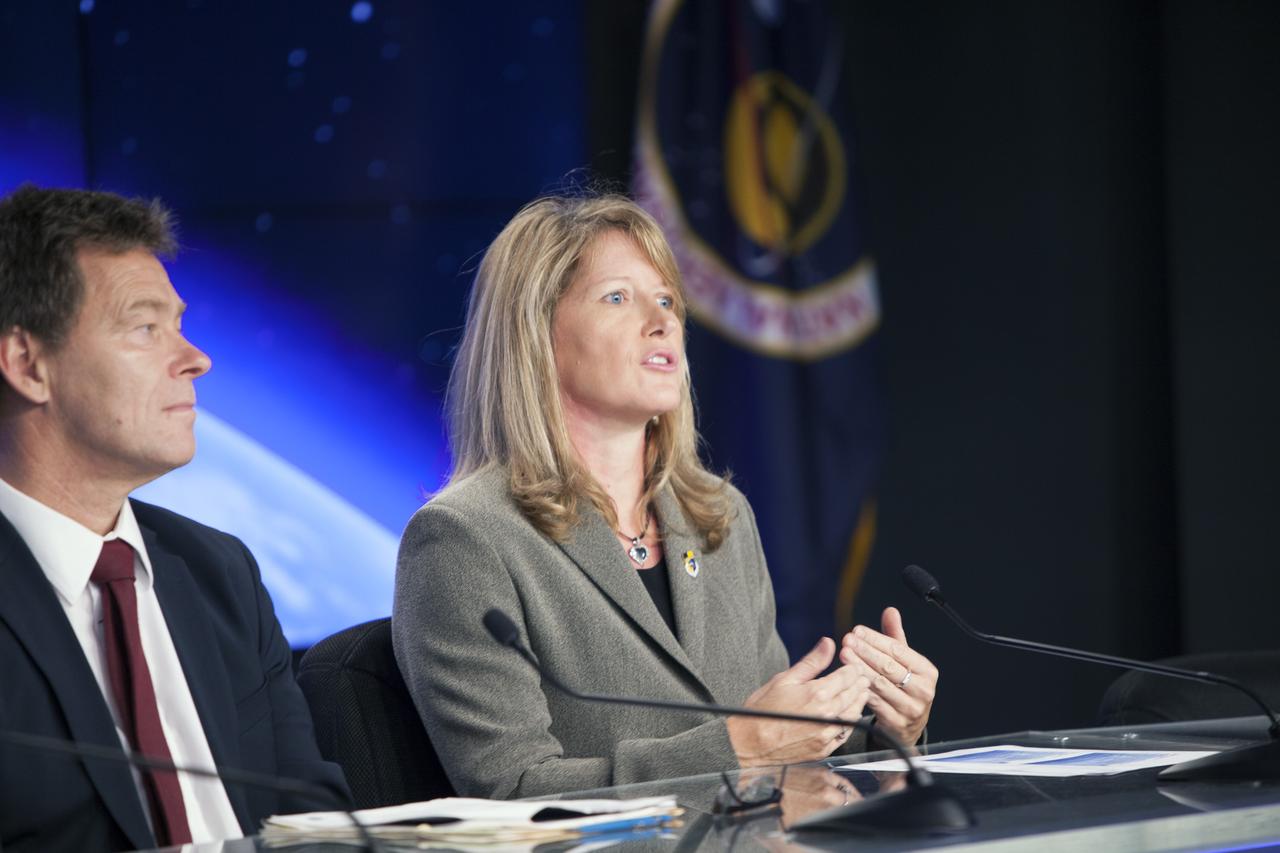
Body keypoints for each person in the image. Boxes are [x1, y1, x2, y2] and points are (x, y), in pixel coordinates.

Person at [393, 194, 939, 800]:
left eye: (667, 300)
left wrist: (891, 731)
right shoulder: (465, 538)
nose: (662, 321)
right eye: (617, 297)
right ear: (536, 333)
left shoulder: (720, 519)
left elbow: (782, 753)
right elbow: (513, 794)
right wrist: (738, 751)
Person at [0, 184, 347, 851]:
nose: (196, 359)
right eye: (145, 328)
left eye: (179, 325)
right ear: (28, 364)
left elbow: (314, 818)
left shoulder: (220, 572)